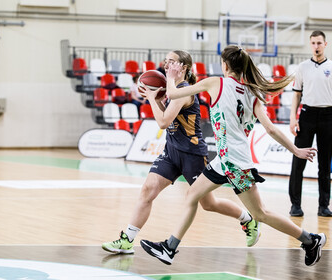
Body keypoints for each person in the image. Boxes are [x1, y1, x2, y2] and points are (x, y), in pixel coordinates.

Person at [140, 45, 326, 267]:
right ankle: (169, 248)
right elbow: (272, 130)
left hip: (235, 162)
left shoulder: (215, 83)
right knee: (192, 195)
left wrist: (171, 77)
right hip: (224, 159)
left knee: (261, 214)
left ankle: (310, 240)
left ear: (225, 65)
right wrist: (295, 150)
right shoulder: (252, 93)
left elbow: (172, 93)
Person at [102, 50, 261, 255]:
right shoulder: (173, 89)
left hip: (192, 154)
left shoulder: (184, 90)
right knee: (147, 190)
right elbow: (166, 115)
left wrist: (151, 97)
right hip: (172, 151)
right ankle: (127, 240)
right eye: (165, 62)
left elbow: (163, 122)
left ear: (184, 68)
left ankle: (247, 219)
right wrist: (157, 98)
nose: (166, 65)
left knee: (208, 204)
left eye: (172, 62)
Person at [288, 30, 332, 217]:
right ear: (310, 44)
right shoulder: (302, 67)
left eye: (319, 43)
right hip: (306, 114)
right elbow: (296, 94)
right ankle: (295, 205)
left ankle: (324, 206)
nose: (316, 46)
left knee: (325, 163)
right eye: (313, 43)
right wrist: (292, 118)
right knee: (298, 161)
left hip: (327, 116)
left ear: (325, 44)